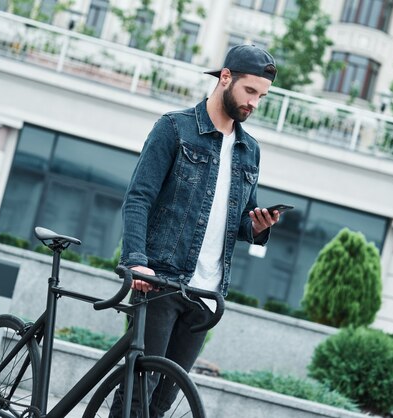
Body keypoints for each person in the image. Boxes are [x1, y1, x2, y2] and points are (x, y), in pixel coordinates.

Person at [118, 44, 280, 416]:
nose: (255, 102)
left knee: (162, 403)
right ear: (225, 77)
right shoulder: (174, 128)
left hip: (207, 294)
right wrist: (137, 262)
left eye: (262, 96)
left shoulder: (248, 149)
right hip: (160, 281)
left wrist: (256, 227)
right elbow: (138, 198)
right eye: (250, 91)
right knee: (136, 397)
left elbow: (236, 221)